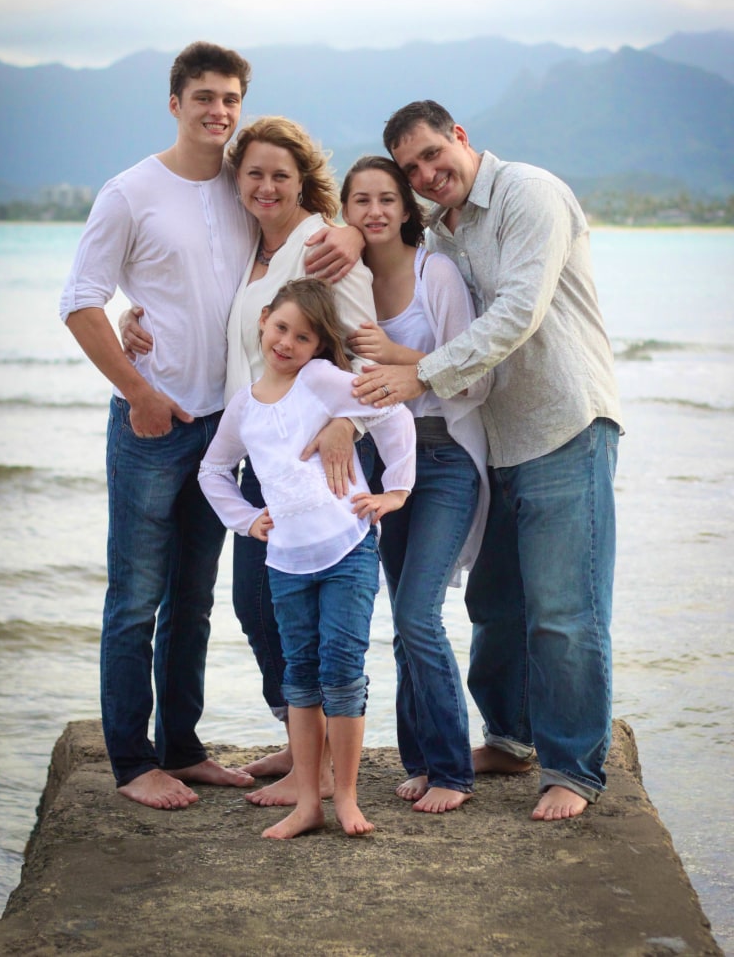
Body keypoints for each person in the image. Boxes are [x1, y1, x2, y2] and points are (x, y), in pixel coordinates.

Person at [60, 42, 360, 810]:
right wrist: (138, 389)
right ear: (175, 103)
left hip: (229, 434)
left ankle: (182, 747)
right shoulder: (130, 191)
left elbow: (281, 251)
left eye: (230, 98)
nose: (218, 111)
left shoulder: (238, 194)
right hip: (155, 426)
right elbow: (81, 301)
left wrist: (350, 232)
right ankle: (133, 761)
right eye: (204, 97)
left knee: (193, 601)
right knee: (135, 600)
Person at [352, 101, 623, 821]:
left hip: (564, 422)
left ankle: (572, 768)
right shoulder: (443, 232)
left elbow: (516, 313)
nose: (427, 173)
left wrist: (421, 374)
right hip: (492, 442)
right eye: (412, 169)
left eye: (434, 155)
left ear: (461, 138)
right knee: (494, 606)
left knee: (564, 613)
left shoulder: (529, 193)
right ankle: (510, 737)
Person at [121, 115, 375, 808]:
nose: (265, 186)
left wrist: (348, 422)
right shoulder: (243, 247)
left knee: (299, 608)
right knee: (260, 605)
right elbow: (196, 310)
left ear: (303, 182)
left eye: (280, 175)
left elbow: (364, 349)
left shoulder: (318, 245)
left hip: (312, 457)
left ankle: (314, 767)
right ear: (238, 180)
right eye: (254, 173)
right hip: (256, 454)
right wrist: (135, 320)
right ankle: (302, 747)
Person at [199, 279, 416, 838]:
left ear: (318, 346)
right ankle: (307, 802)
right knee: (300, 675)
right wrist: (246, 521)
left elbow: (391, 412)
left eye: (304, 336)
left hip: (347, 547)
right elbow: (212, 470)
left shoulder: (320, 381)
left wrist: (396, 490)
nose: (288, 343)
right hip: (287, 562)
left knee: (342, 670)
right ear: (263, 321)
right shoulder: (243, 405)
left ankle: (345, 797)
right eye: (281, 329)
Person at [340, 155, 491, 813]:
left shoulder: (440, 274)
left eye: (385, 199)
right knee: (400, 621)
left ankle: (454, 771)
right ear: (344, 212)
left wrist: (398, 355)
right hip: (383, 463)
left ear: (406, 208)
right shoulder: (346, 284)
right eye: (359, 201)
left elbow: (477, 375)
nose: (373, 211)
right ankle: (421, 760)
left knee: (417, 614)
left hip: (445, 458)